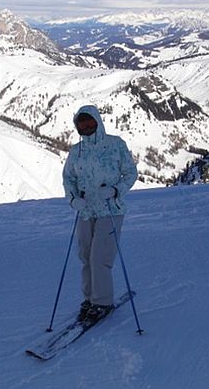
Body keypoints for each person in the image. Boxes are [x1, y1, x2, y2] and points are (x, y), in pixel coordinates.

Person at [62, 105, 137, 322]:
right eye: (81, 123)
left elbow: (130, 173)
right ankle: (89, 299)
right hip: (85, 211)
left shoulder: (115, 144)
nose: (86, 126)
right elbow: (69, 178)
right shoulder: (76, 151)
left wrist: (115, 190)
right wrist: (73, 199)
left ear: (98, 121)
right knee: (86, 256)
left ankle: (102, 302)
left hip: (110, 209)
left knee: (99, 258)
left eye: (89, 122)